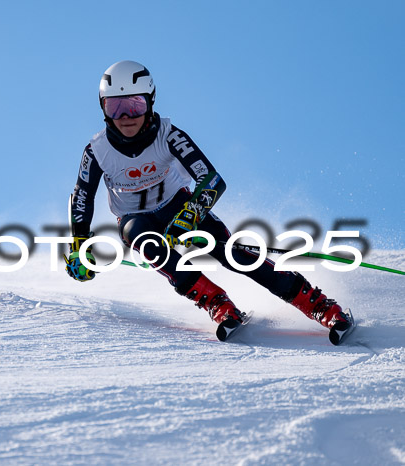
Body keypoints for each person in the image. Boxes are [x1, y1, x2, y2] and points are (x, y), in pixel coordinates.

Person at [65, 60, 352, 344]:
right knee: (143, 239)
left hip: (180, 205)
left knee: (234, 256)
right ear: (103, 107)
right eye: (115, 107)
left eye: (135, 105)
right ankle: (218, 305)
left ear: (150, 102)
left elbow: (212, 180)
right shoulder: (97, 151)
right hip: (135, 218)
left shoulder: (169, 136)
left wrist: (190, 214)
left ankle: (319, 305)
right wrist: (79, 247)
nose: (126, 116)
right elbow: (82, 198)